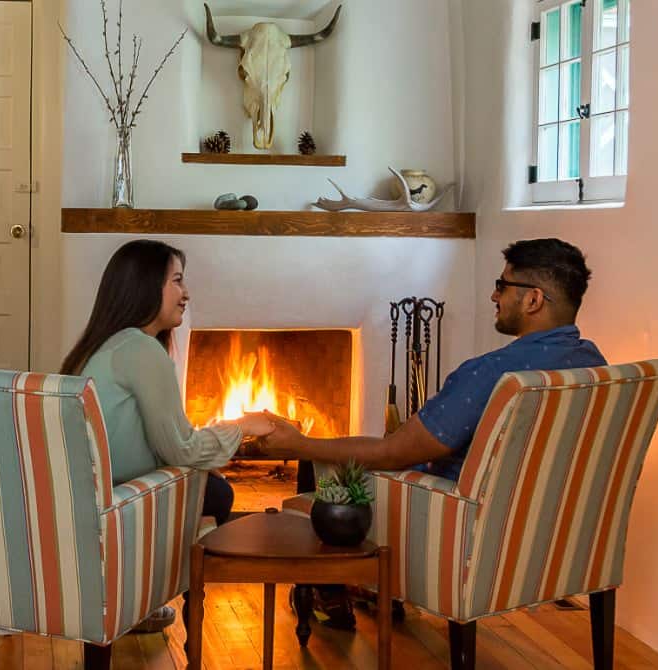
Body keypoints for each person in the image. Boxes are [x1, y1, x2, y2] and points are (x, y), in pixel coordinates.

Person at [260, 237, 607, 626]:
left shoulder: (491, 373)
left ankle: (332, 587)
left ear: (533, 300)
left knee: (328, 468)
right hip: (549, 532)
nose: (494, 295)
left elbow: (395, 453)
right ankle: (363, 585)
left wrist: (300, 443)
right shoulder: (595, 367)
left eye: (502, 285)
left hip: (460, 525)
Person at [62, 239, 280, 632]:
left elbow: (154, 441)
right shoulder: (141, 350)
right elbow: (181, 446)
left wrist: (197, 463)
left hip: (97, 493)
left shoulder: (107, 345)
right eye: (177, 281)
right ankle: (144, 599)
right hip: (122, 499)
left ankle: (139, 598)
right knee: (219, 493)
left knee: (208, 483)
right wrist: (243, 428)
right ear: (147, 286)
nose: (186, 293)